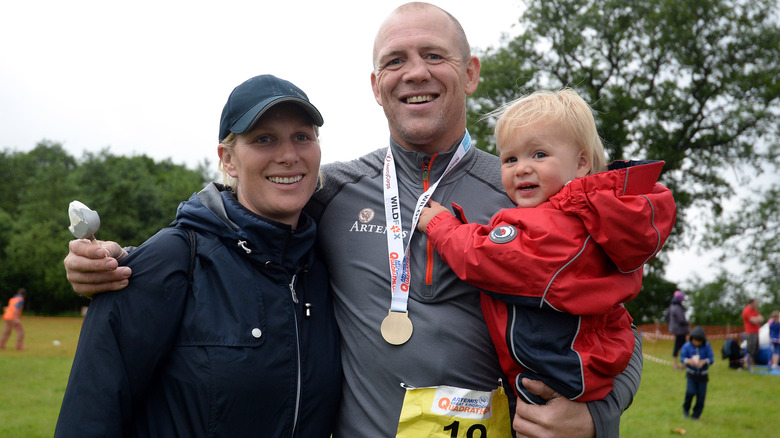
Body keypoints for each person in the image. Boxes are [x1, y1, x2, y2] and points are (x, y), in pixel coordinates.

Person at [63, 3, 645, 436]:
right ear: (375, 86)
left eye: (433, 56)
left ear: (469, 73)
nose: (414, 72)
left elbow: (614, 319)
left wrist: (595, 416)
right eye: (395, 61)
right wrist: (121, 260)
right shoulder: (332, 189)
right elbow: (238, 211)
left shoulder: (527, 193)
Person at [54, 74, 341, 437]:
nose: (288, 155)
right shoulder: (171, 260)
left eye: (302, 137)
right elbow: (89, 415)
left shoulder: (323, 265)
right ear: (228, 160)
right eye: (263, 139)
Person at [415, 89, 676, 405]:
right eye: (510, 158)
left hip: (554, 373)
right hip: (582, 364)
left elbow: (487, 259)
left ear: (581, 163)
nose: (522, 168)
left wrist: (440, 225)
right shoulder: (593, 216)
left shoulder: (563, 224)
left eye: (539, 154)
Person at [679, 326, 714, 420]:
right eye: (695, 340)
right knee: (690, 392)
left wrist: (703, 362)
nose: (696, 342)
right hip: (691, 374)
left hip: (703, 376)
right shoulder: (687, 346)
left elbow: (711, 359)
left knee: (701, 397)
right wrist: (688, 361)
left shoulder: (707, 346)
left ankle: (696, 415)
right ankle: (686, 410)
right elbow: (682, 358)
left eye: (699, 340)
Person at [667, 291, 690, 369]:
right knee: (682, 347)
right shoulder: (678, 307)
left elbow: (667, 317)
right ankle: (678, 365)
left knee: (679, 346)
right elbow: (681, 320)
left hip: (676, 330)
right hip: (680, 330)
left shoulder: (672, 306)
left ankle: (679, 364)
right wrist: (687, 323)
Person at [741, 298, 764, 370]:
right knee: (750, 349)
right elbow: (753, 321)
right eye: (756, 303)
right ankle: (745, 362)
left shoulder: (755, 310)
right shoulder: (746, 310)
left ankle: (751, 362)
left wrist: (757, 319)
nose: (757, 304)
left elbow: (762, 318)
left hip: (756, 332)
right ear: (752, 303)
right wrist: (757, 319)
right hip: (749, 333)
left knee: (755, 349)